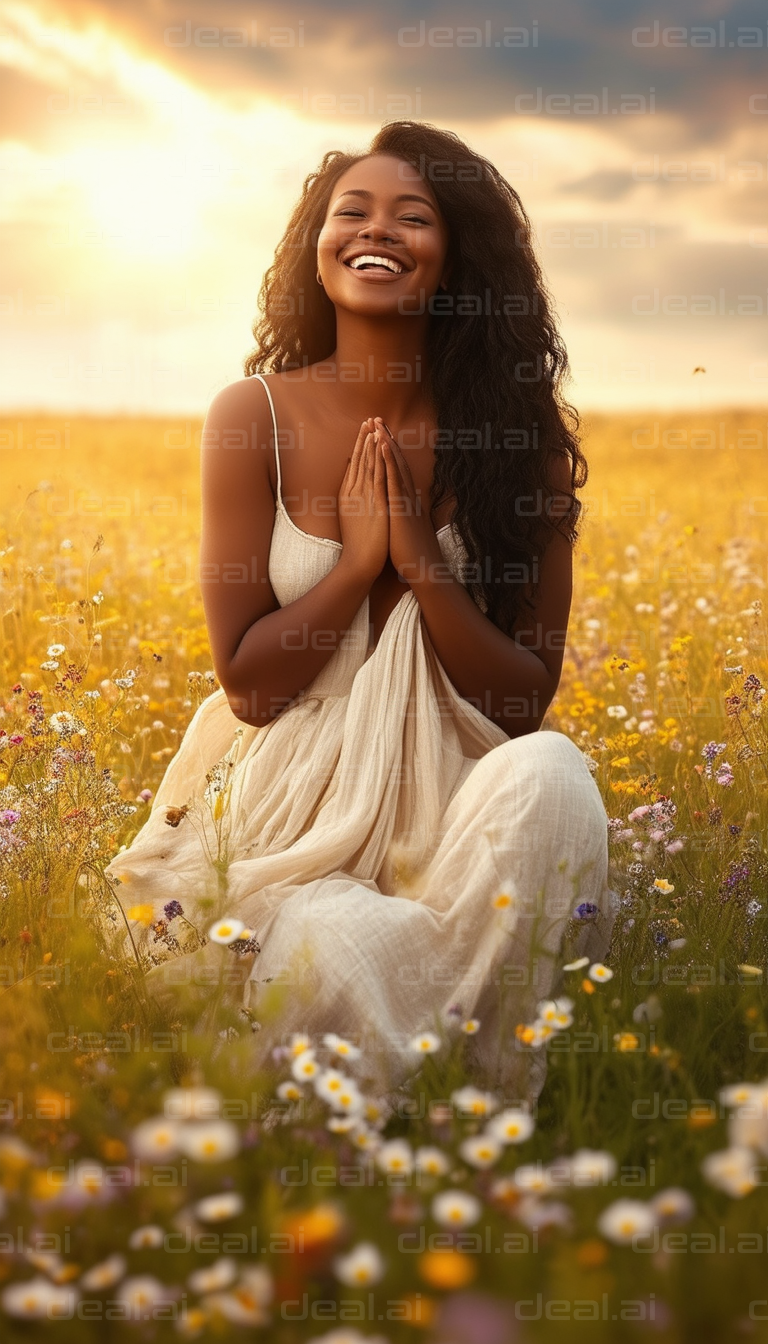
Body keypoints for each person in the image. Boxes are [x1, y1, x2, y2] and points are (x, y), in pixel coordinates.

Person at [105, 121, 615, 1099]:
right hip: (293, 812)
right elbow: (249, 686)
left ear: (456, 256)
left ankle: (483, 1092)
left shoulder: (522, 445)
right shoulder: (250, 416)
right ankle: (415, 1093)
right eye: (353, 211)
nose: (376, 231)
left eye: (413, 217)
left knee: (554, 775)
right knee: (330, 939)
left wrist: (422, 560)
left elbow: (521, 706)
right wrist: (354, 569)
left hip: (459, 798)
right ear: (317, 242)